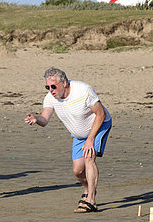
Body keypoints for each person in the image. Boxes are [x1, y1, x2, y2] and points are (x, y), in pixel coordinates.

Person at [25, 67, 112, 213]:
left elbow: (101, 114)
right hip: (79, 134)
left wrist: (90, 139)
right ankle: (88, 189)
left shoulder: (83, 91)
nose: (51, 90)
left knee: (89, 157)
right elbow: (44, 119)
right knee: (78, 171)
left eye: (53, 86)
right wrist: (36, 118)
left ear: (64, 83)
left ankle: (91, 200)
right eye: (48, 87)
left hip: (98, 127)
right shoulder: (50, 98)